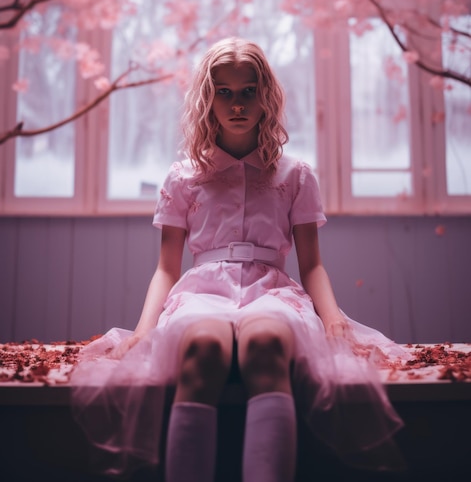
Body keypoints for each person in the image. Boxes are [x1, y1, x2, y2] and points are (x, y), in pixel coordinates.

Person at [71, 37, 409, 481]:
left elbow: (312, 265)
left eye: (248, 91)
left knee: (266, 345)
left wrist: (332, 320)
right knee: (204, 347)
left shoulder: (295, 175)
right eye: (223, 92)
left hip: (271, 292)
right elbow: (167, 269)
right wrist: (142, 330)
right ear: (207, 100)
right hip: (202, 293)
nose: (236, 104)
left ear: (265, 95)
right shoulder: (184, 177)